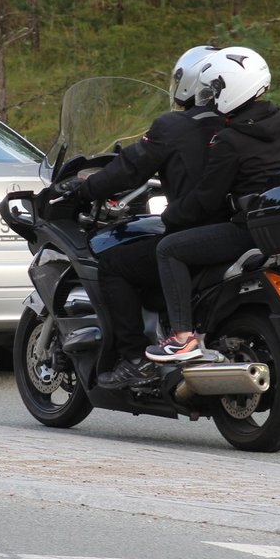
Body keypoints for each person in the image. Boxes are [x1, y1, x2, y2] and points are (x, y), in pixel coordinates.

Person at [56, 46, 223, 390]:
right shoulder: (241, 126)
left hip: (196, 235)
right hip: (237, 232)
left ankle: (133, 359)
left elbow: (128, 169)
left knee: (115, 264)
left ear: (188, 83)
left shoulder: (174, 126)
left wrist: (83, 190)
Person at [139, 46, 280, 364]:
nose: (212, 96)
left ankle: (182, 338)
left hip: (249, 231)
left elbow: (206, 199)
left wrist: (171, 215)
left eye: (215, 88)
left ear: (230, 88)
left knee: (169, 249)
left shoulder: (230, 139)